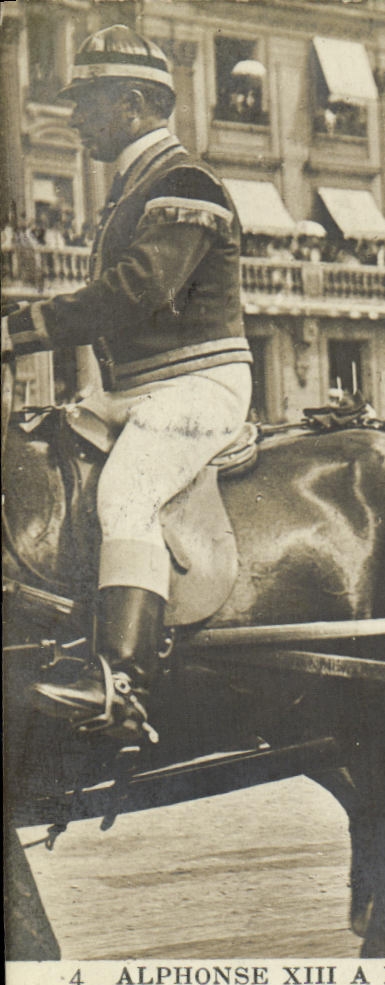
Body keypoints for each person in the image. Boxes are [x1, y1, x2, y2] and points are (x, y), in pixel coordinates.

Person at [0, 27, 253, 724]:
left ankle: (120, 679)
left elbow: (137, 289)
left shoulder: (183, 181)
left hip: (197, 386)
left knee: (128, 493)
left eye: (89, 102)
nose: (76, 117)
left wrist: (17, 331)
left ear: (136, 102)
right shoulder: (132, 187)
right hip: (130, 390)